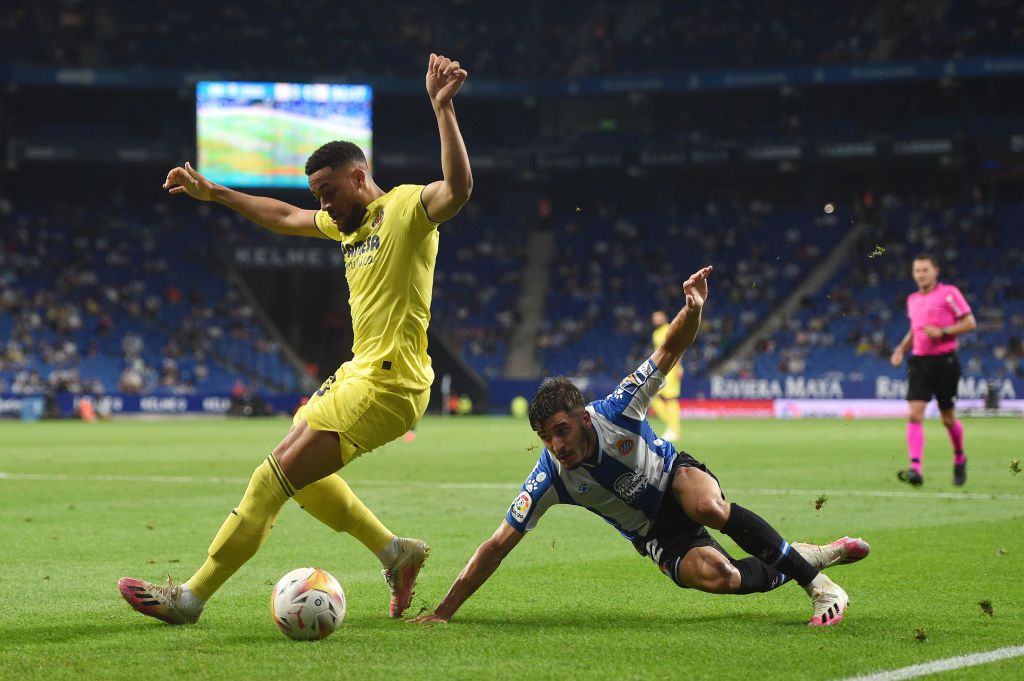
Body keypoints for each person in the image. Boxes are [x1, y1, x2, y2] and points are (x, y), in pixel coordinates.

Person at [119, 53, 473, 624]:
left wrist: (444, 109)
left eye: (330, 191)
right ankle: (395, 552)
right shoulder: (346, 223)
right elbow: (284, 216)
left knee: (271, 477)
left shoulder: (404, 208)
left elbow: (457, 188)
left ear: (360, 177)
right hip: (360, 372)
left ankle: (190, 597)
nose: (323, 205)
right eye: (318, 195)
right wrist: (217, 193)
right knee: (303, 480)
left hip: (391, 383)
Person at [413, 266, 869, 627]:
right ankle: (805, 555)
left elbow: (669, 350)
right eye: (545, 438)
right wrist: (445, 610)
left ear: (582, 417)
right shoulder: (551, 477)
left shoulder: (617, 409)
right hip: (654, 534)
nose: (556, 445)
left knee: (709, 506)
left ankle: (820, 586)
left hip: (675, 480)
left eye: (561, 431)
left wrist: (692, 310)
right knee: (722, 577)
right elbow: (497, 544)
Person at [890, 253, 976, 486]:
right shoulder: (913, 299)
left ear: (935, 271)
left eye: (925, 269)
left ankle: (959, 457)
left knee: (947, 418)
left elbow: (970, 322)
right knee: (914, 414)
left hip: (944, 361)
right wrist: (900, 349)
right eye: (917, 270)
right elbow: (914, 329)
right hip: (919, 362)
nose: (920, 274)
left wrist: (944, 332)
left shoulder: (949, 293)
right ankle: (915, 468)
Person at [650, 310, 682, 441]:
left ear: (664, 317)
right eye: (654, 318)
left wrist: (678, 366)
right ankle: (672, 426)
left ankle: (674, 430)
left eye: (659, 317)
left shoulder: (670, 329)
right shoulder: (656, 333)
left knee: (671, 398)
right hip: (661, 368)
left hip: (672, 367)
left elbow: (678, 347)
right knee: (653, 398)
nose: (656, 320)